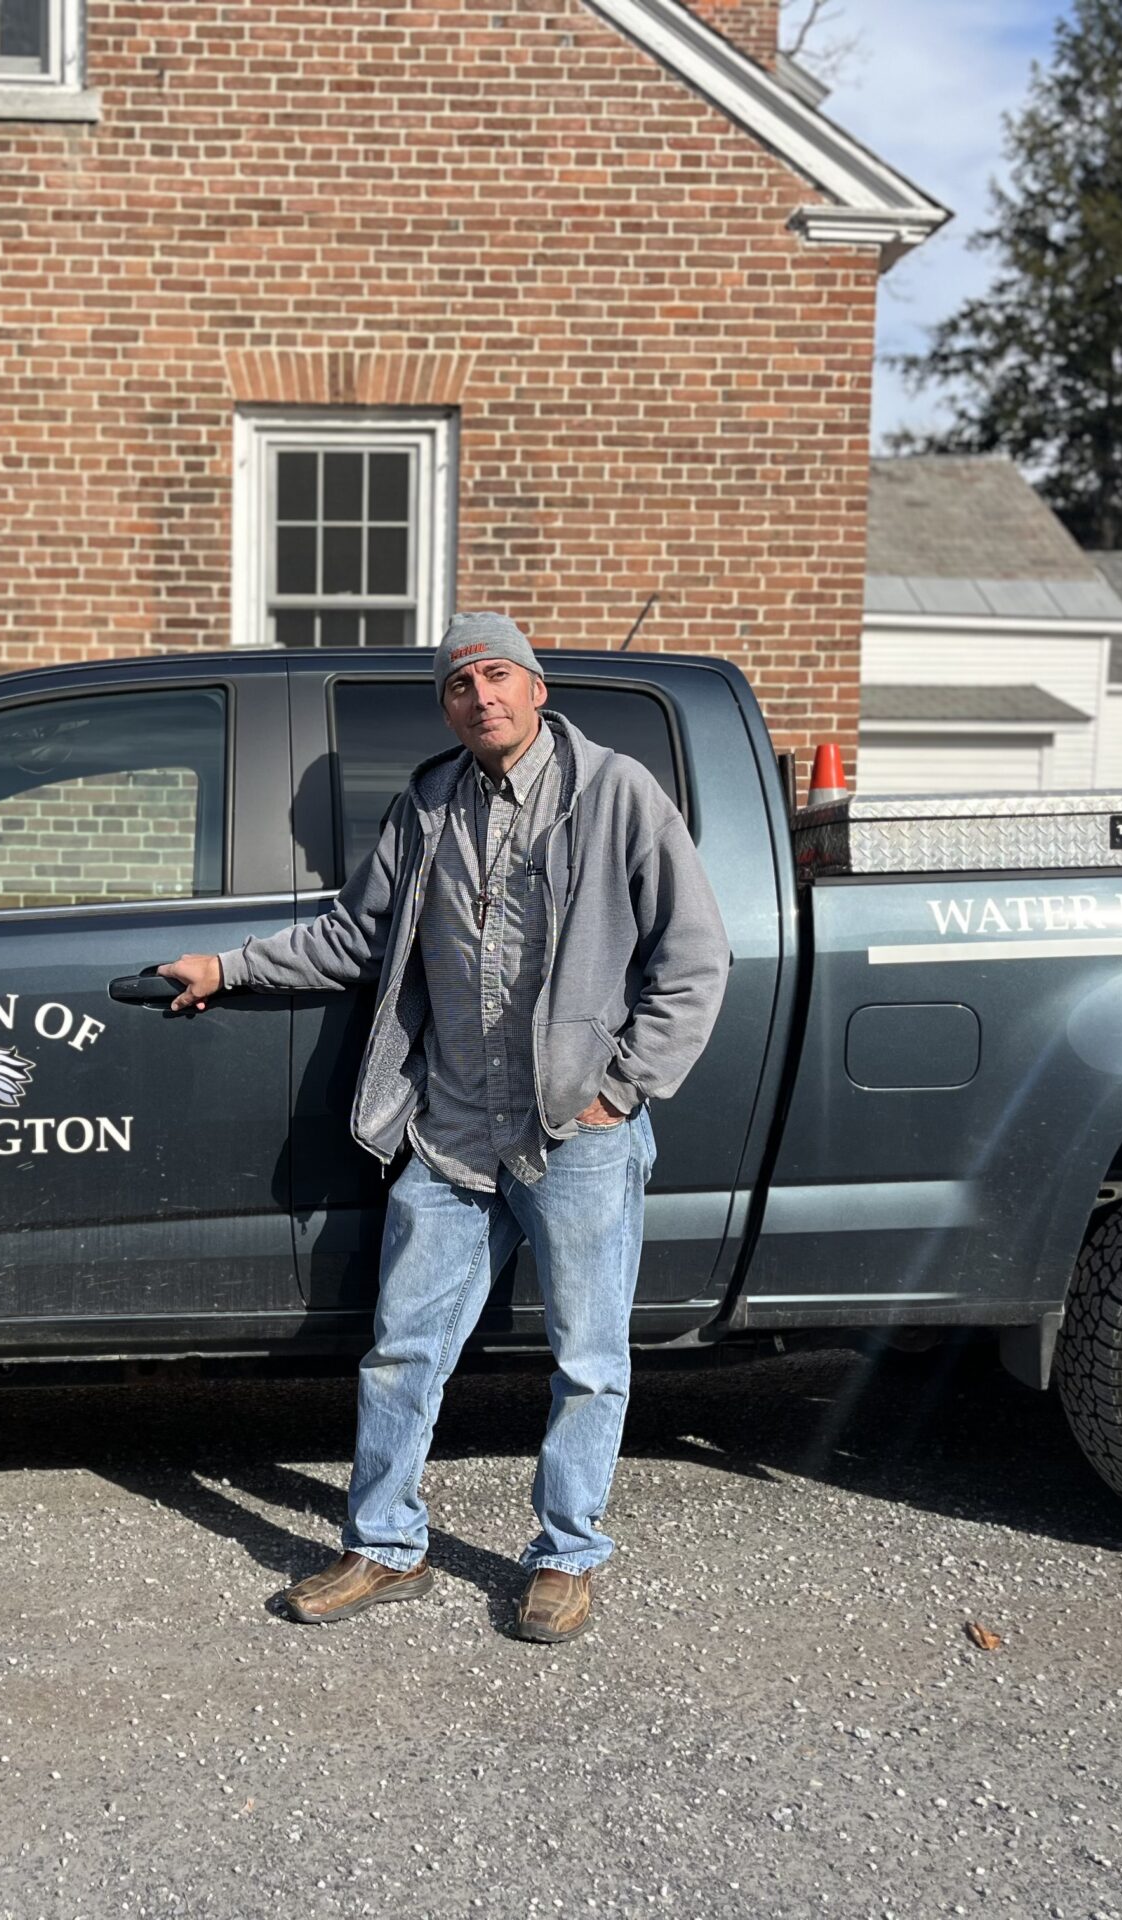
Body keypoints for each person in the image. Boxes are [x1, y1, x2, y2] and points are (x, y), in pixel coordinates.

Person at [158, 612, 729, 1645]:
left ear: (537, 687)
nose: (481, 698)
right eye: (460, 685)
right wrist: (228, 965)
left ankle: (565, 1556)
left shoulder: (616, 796)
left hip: (573, 1137)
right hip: (451, 1132)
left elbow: (694, 959)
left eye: (498, 676)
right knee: (401, 1350)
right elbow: (357, 935)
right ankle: (383, 1547)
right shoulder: (426, 803)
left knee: (589, 1357)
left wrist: (622, 1088)